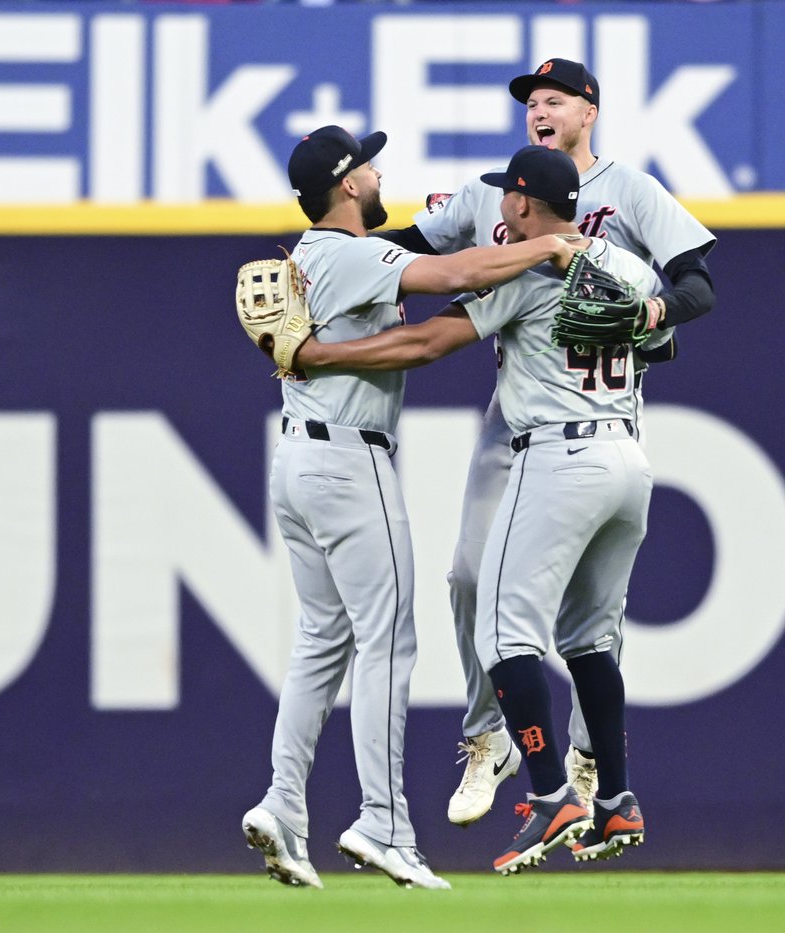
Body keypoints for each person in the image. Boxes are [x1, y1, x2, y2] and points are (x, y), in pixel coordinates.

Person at [296, 144, 666, 873]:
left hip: (559, 453)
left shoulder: (527, 263)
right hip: (629, 454)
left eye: (507, 197)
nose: (498, 207)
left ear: (524, 204)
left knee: (501, 635)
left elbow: (431, 340)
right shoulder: (628, 265)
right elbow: (664, 335)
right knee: (591, 639)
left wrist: (318, 355)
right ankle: (617, 800)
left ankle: (554, 794)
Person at [240, 125, 583, 891]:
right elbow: (453, 274)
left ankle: (282, 803)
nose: (377, 169)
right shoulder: (357, 252)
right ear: (348, 185)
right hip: (348, 461)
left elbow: (410, 342)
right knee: (387, 644)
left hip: (295, 455)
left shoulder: (308, 258)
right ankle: (383, 821)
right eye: (366, 164)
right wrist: (542, 249)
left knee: (320, 642)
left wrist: (322, 354)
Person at [376, 58, 717, 826]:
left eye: (554, 99)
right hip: (519, 409)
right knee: (470, 576)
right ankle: (487, 739)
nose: (538, 110)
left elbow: (697, 283)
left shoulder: (626, 194)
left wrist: (654, 318)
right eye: (530, 101)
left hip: (596, 410)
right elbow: (406, 245)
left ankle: (579, 768)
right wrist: (337, 237)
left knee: (572, 617)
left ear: (588, 112)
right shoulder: (494, 193)